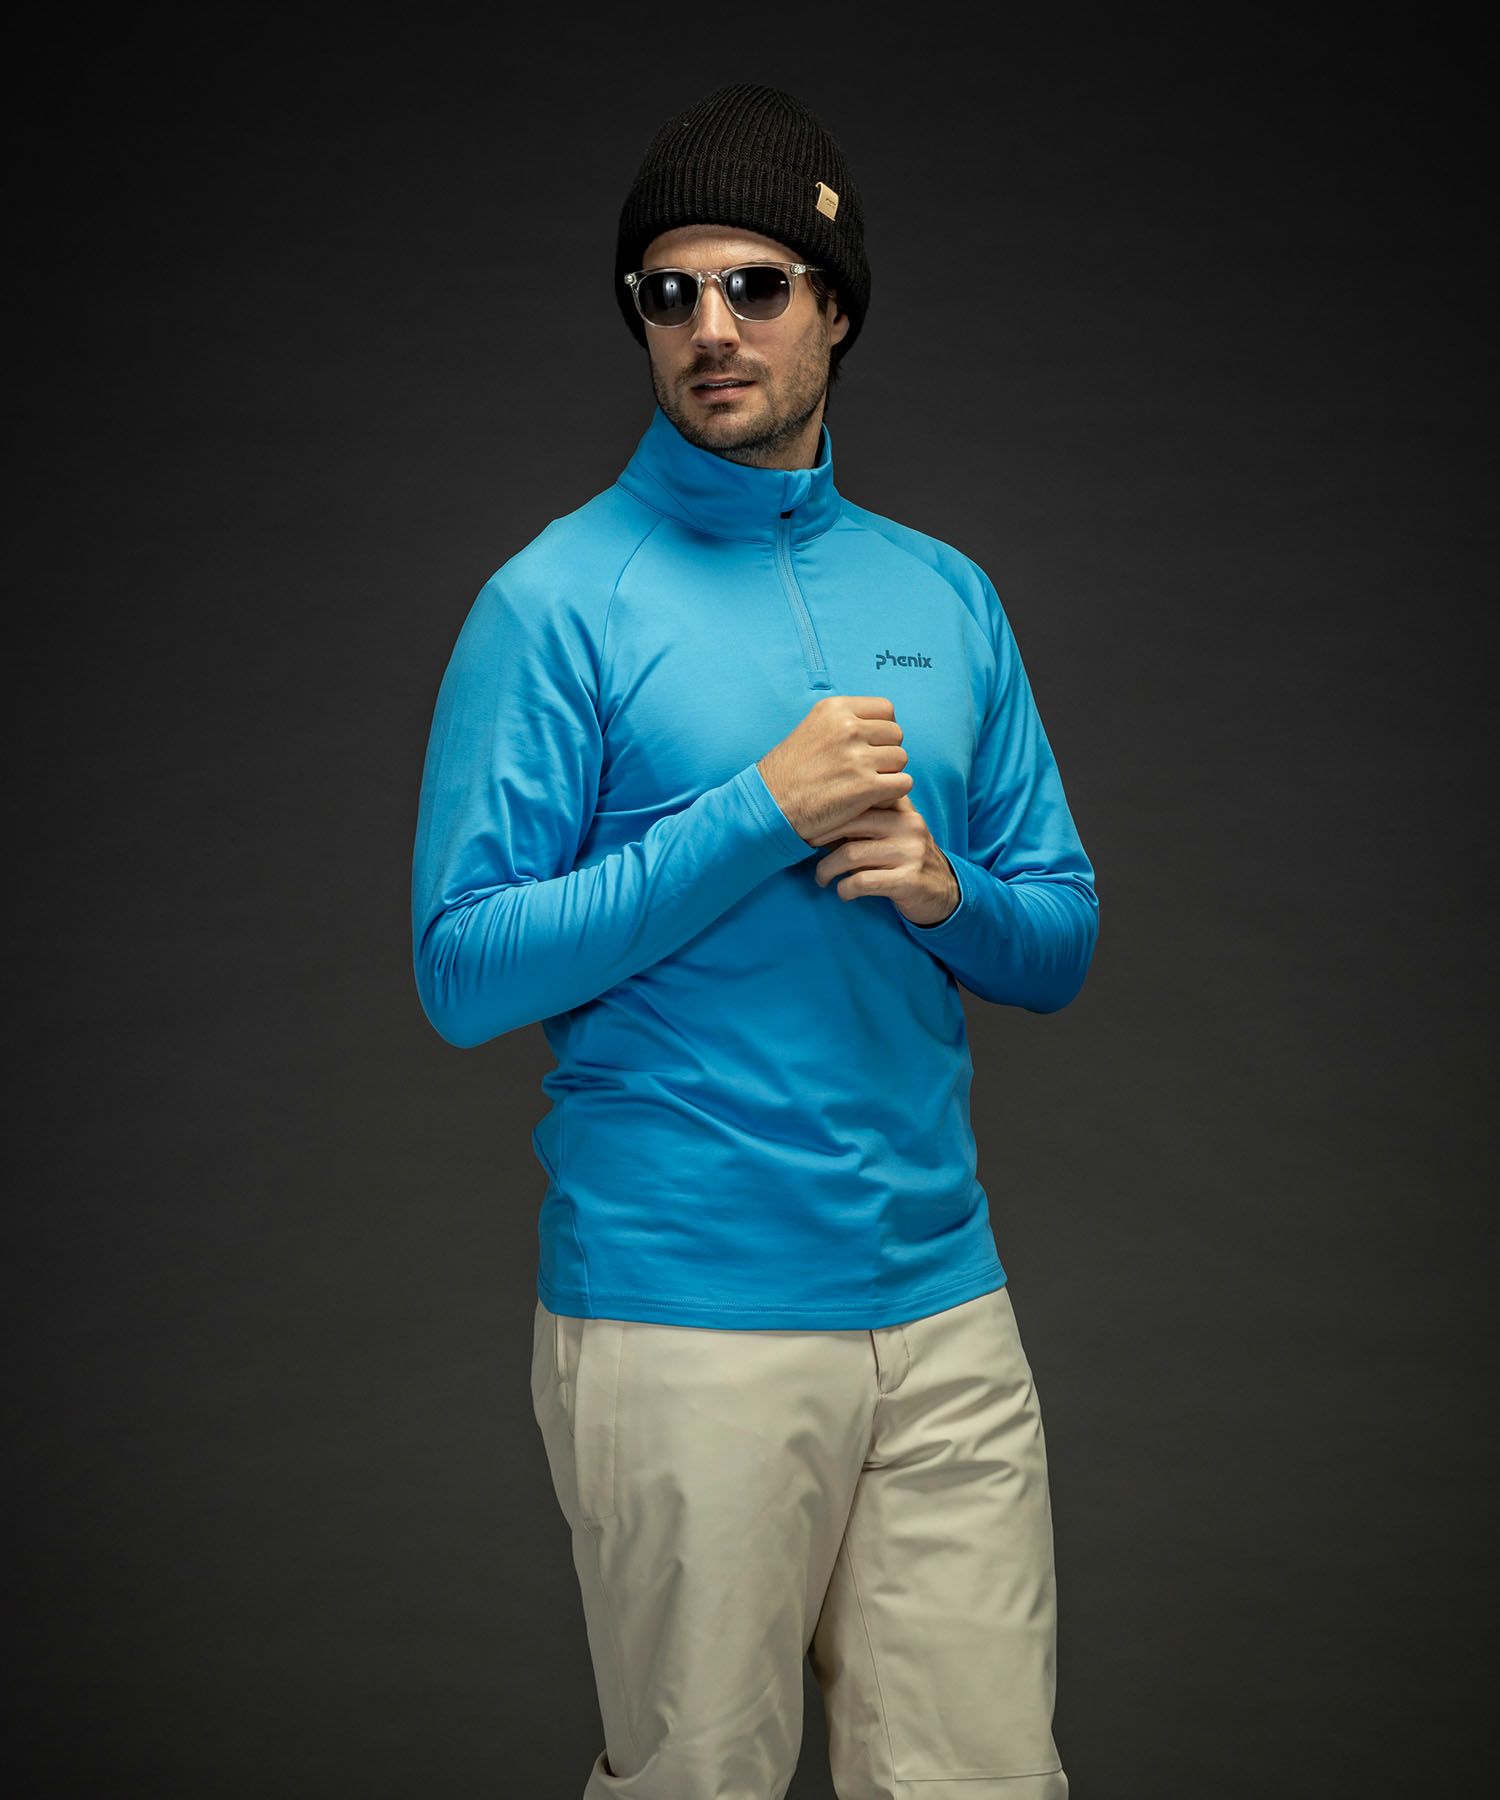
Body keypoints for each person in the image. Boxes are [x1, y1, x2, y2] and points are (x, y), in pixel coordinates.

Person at [411, 80, 1097, 1800]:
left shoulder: (945, 595)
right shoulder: (557, 601)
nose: (711, 327)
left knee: (985, 1783)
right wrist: (755, 814)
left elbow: (1063, 937)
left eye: (756, 285)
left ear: (834, 307)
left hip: (945, 1308)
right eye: (670, 292)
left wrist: (949, 893)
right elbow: (463, 968)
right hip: (685, 1314)